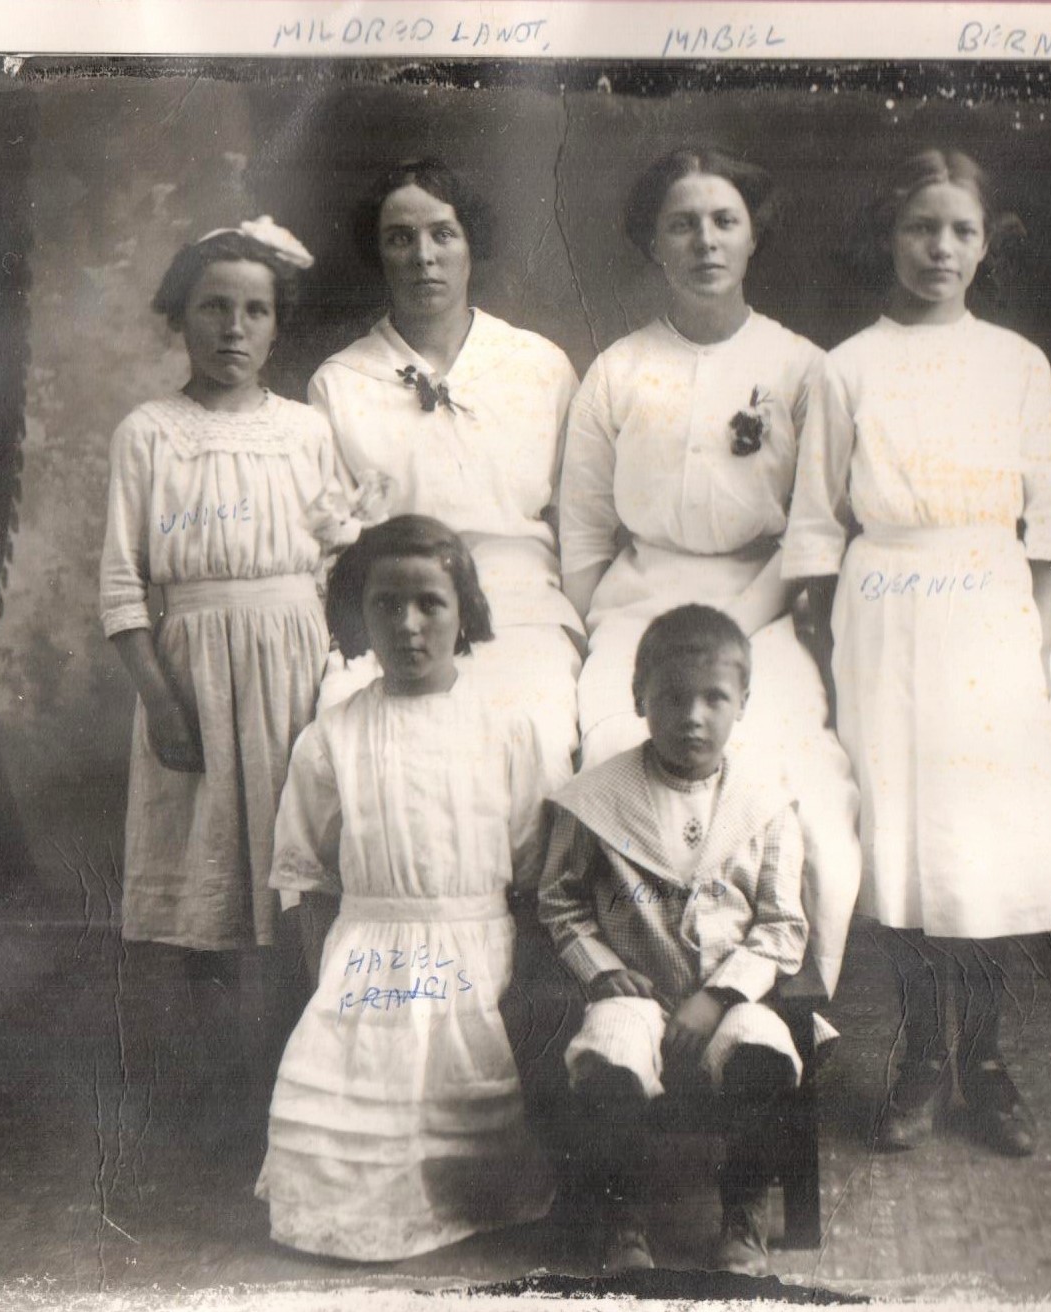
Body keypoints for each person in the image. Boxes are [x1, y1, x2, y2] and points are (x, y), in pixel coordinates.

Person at [782, 148, 1051, 1157]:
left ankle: (988, 1060)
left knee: (986, 846)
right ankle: (922, 1056)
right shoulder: (846, 367)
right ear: (890, 236)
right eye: (922, 227)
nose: (941, 248)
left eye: (962, 230)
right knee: (907, 845)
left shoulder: (1017, 363)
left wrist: (1031, 641)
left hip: (992, 617)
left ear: (985, 243)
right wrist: (830, 650)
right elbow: (816, 526)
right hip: (885, 618)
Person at [558, 145, 861, 1019]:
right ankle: (632, 1003)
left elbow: (811, 530)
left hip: (758, 607)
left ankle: (774, 1000)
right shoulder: (617, 369)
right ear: (653, 243)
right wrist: (602, 629)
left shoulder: (801, 367)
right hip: (638, 605)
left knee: (795, 778)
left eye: (724, 220)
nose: (704, 241)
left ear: (753, 235)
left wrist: (740, 622)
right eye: (681, 224)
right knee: (616, 762)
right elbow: (583, 528)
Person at [256, 515, 556, 1261]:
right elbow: (305, 874)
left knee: (472, 1125)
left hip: (474, 950)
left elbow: (532, 867)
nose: (408, 625)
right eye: (386, 605)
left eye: (429, 603)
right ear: (360, 614)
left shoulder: (507, 729)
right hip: (367, 955)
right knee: (348, 1122)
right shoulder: (331, 737)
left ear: (465, 612)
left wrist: (519, 985)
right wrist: (326, 981)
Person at [99, 217, 347, 967]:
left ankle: (300, 1022)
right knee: (206, 882)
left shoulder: (307, 431)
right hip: (195, 675)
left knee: (299, 861)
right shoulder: (149, 433)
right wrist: (162, 702)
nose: (234, 328)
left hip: (298, 669)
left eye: (255, 310)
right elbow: (121, 585)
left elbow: (336, 564)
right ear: (179, 317)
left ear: (276, 325)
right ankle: (211, 1028)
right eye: (213, 307)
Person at [539, 605, 807, 1277]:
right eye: (672, 697)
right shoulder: (596, 800)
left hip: (728, 995)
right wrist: (602, 971)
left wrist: (720, 995)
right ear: (639, 698)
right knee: (610, 1054)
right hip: (635, 989)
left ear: (742, 703)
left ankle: (742, 1218)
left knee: (760, 1053)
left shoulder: (766, 805)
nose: (692, 716)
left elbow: (781, 924)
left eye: (714, 698)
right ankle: (622, 1221)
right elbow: (561, 901)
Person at [307, 157, 583, 787]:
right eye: (400, 238)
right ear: (379, 254)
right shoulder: (340, 383)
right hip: (392, 614)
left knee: (533, 737)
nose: (423, 256)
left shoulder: (538, 365)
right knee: (352, 746)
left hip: (519, 608)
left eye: (442, 234)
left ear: (469, 244)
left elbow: (582, 522)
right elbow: (330, 542)